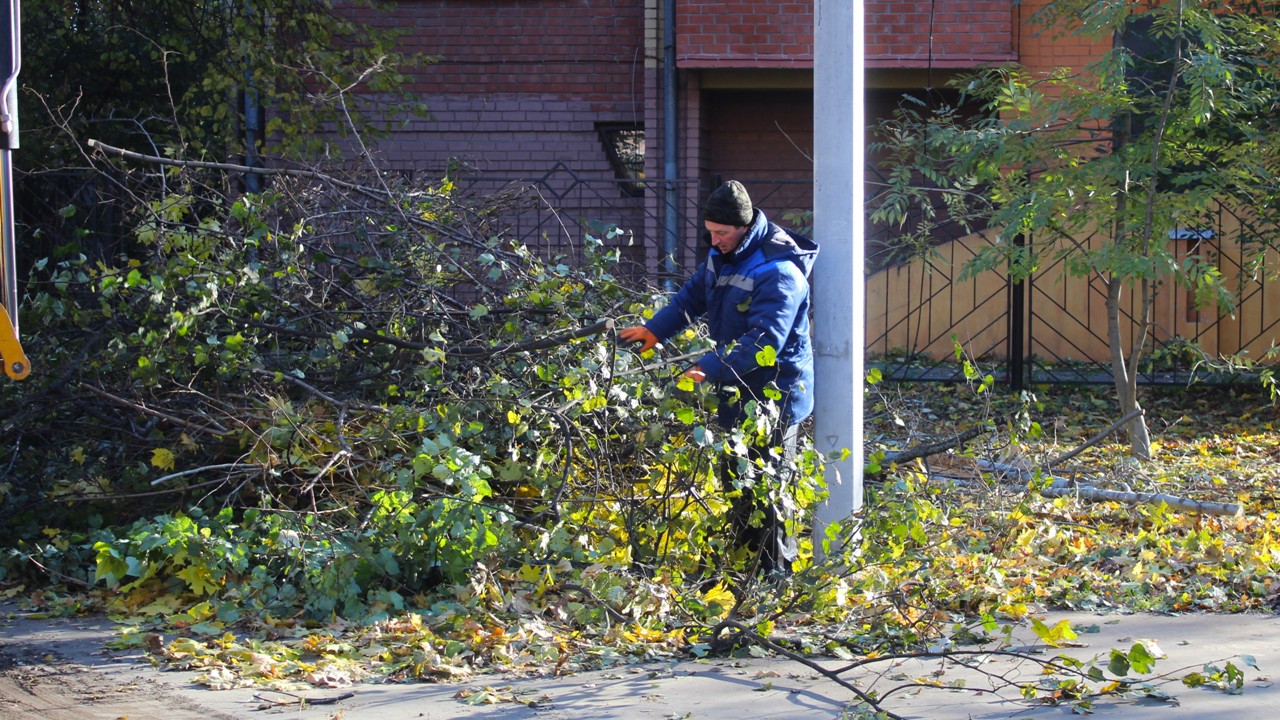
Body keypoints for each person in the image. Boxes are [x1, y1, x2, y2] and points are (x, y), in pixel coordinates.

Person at [619, 180, 819, 578]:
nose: (714, 240)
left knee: (769, 486)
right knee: (737, 477)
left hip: (775, 393)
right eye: (710, 232)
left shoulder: (779, 272)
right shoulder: (722, 256)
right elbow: (692, 297)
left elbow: (763, 342)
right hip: (735, 385)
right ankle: (743, 564)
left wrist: (708, 368)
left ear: (744, 227)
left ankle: (775, 575)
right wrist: (655, 330)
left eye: (721, 233)